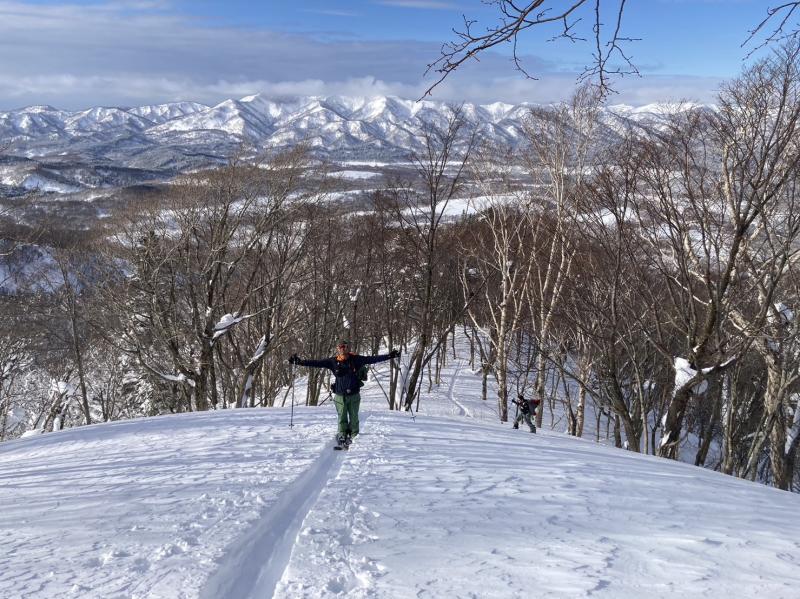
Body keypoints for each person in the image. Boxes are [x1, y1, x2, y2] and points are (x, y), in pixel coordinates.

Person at [289, 341, 400, 445]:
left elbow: (371, 359)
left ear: (348, 348)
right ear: (338, 349)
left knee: (354, 416)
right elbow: (317, 363)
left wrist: (389, 356)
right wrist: (300, 362)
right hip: (340, 395)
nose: (343, 349)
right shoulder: (333, 362)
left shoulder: (356, 359)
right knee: (341, 416)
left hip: (354, 395)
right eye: (340, 347)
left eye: (345, 346)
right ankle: (342, 433)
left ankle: (354, 434)